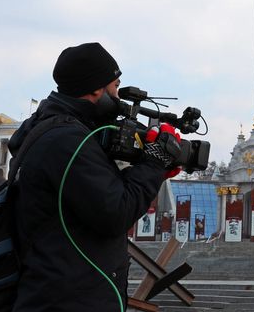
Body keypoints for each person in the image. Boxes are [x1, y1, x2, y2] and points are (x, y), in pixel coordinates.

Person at [10, 42, 184, 311]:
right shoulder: (68, 141)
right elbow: (116, 212)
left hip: (55, 288)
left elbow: (94, 196)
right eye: (115, 86)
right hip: (70, 297)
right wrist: (154, 162)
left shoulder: (48, 128)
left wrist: (152, 170)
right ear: (95, 89)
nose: (118, 97)